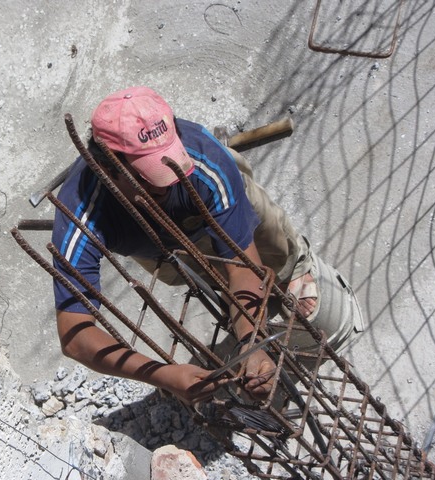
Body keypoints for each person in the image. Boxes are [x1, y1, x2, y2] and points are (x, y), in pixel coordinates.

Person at [50, 86, 357, 404]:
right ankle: (235, 309)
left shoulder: (204, 160)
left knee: (267, 247)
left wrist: (253, 344)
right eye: (149, 175)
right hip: (156, 243)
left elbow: (243, 264)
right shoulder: (81, 210)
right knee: (204, 272)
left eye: (170, 165)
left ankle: (294, 268)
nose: (169, 182)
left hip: (212, 202)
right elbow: (75, 334)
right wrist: (162, 374)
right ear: (109, 172)